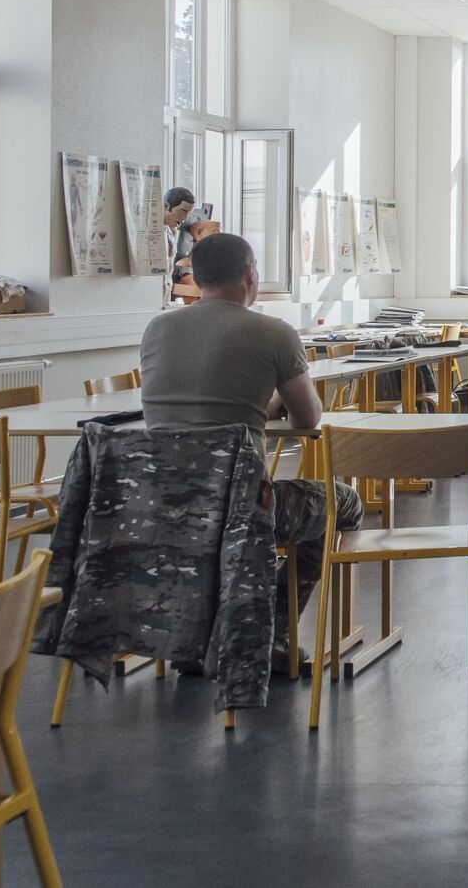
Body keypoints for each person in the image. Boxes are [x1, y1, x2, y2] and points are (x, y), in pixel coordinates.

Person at [138, 232, 362, 670]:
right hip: (244, 508)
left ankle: (197, 633)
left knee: (213, 526)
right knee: (342, 502)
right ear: (250, 273)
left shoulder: (157, 329)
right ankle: (271, 635)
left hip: (164, 506)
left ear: (196, 278)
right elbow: (307, 420)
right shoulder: (273, 332)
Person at [163, 186, 196, 289]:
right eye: (182, 211)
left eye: (188, 213)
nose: (185, 218)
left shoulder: (173, 231)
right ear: (165, 206)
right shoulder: (153, 231)